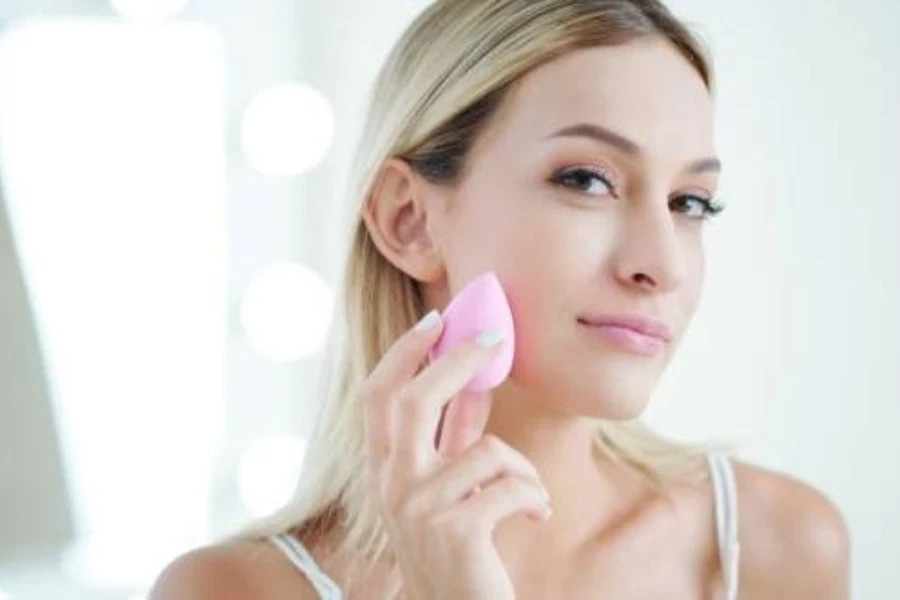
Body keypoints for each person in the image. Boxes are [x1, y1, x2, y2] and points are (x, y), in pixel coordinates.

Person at [150, 0, 851, 598]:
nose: (661, 263)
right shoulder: (229, 592)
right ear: (410, 219)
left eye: (690, 201)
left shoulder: (775, 548)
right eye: (587, 180)